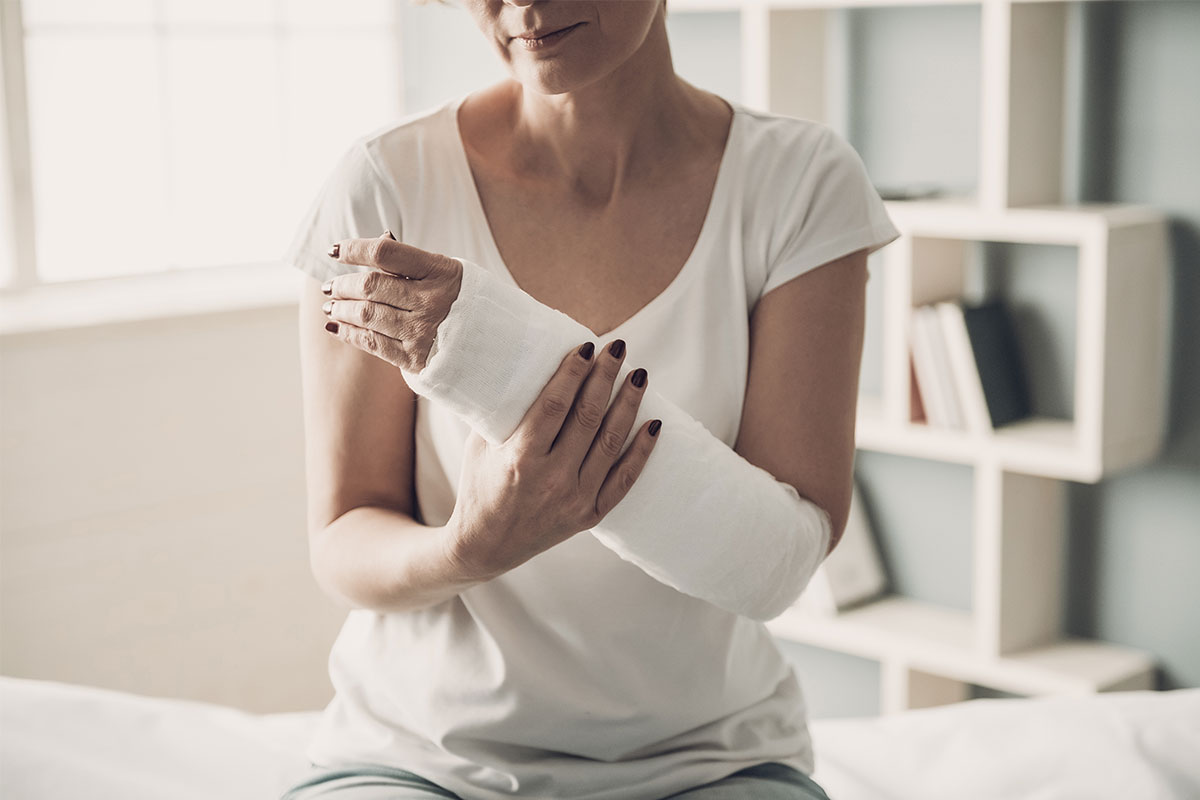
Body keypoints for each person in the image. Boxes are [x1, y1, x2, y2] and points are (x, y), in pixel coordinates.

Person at [280, 1, 899, 797]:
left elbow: (778, 559)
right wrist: (469, 550)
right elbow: (342, 539)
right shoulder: (383, 183)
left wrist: (493, 354)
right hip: (421, 754)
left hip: (707, 759)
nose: (523, 7)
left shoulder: (801, 182)